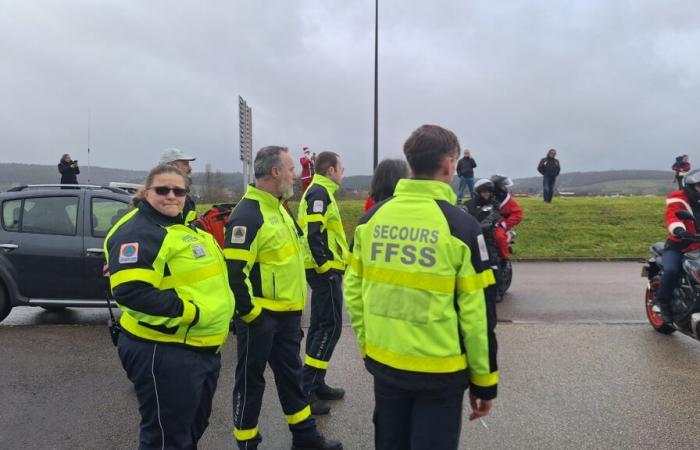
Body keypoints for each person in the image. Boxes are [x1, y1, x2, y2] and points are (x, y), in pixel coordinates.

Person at [344, 124, 498, 450]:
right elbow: (478, 317)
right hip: (440, 374)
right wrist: (484, 384)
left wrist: (368, 346)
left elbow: (354, 294)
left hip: (385, 366)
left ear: (410, 164)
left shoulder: (370, 221)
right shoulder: (461, 228)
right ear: (449, 165)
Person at [104, 164, 234, 449]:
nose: (171, 196)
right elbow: (131, 292)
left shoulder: (184, 226)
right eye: (163, 189)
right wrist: (192, 313)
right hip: (165, 349)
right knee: (166, 438)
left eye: (179, 190)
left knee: (189, 430)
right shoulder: (139, 230)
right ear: (146, 192)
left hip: (201, 347)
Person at [224, 146, 342, 450]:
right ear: (275, 171)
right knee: (251, 383)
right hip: (261, 318)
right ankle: (248, 444)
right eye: (291, 169)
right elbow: (235, 273)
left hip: (287, 317)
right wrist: (251, 315)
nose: (297, 174)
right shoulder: (248, 215)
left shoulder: (279, 208)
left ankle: (306, 439)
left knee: (291, 379)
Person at [296, 151, 348, 409]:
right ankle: (307, 389)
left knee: (320, 326)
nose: (342, 172)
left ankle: (316, 383)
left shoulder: (320, 192)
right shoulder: (320, 193)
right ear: (330, 170)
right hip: (323, 270)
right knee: (331, 327)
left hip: (321, 269)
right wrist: (327, 267)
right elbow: (314, 235)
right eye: (341, 168)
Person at [653, 171, 700, 322]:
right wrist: (679, 230)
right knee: (672, 270)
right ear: (691, 187)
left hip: (698, 247)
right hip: (679, 246)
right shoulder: (678, 198)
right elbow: (672, 216)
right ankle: (662, 303)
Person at [490, 174, 524, 260]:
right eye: (503, 186)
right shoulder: (488, 196)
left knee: (499, 237)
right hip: (487, 222)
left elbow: (518, 214)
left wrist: (505, 224)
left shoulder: (507, 200)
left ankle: (505, 258)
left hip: (500, 224)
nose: (505, 188)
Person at [160, 148, 197, 223]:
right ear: (171, 167)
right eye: (185, 164)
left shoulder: (185, 198)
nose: (190, 169)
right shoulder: (161, 198)